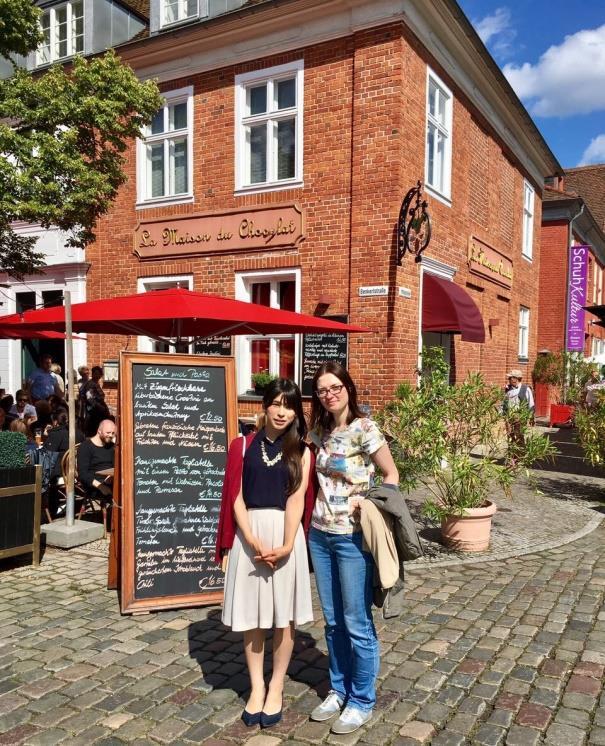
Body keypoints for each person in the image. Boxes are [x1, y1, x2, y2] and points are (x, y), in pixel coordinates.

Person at [216, 379, 313, 729]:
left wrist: (287, 544)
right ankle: (256, 687)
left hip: (286, 537)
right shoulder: (241, 445)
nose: (282, 411)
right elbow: (235, 497)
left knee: (283, 618)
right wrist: (252, 540)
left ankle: (276, 687)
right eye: (277, 403)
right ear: (265, 405)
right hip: (250, 536)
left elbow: (297, 499)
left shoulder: (303, 451)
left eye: (289, 405)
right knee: (254, 618)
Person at [307, 362, 399, 734]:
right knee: (331, 622)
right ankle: (338, 688)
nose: (330, 394)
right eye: (323, 390)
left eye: (335, 386)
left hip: (352, 536)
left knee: (356, 621)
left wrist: (371, 501)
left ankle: (361, 699)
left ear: (347, 387)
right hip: (319, 534)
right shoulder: (320, 432)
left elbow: (391, 476)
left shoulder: (365, 428)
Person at [77, 419, 116, 501]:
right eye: (108, 433)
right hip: (93, 484)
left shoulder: (111, 447)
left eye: (113, 433)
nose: (110, 435)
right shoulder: (85, 447)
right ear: (99, 431)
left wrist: (111, 477)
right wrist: (101, 486)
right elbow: (83, 474)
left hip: (110, 481)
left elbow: (114, 466)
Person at [503, 369, 535, 456]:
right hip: (509, 416)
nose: (509, 380)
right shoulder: (507, 389)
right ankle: (512, 456)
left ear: (516, 379)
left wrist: (531, 418)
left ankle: (521, 455)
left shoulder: (526, 389)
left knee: (519, 435)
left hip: (520, 416)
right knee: (510, 435)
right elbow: (504, 403)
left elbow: (531, 404)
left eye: (511, 378)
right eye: (509, 378)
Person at [80, 366, 110, 436]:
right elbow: (90, 399)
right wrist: (100, 408)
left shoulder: (96, 384)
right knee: (93, 432)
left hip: (98, 413)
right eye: (95, 373)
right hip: (93, 413)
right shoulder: (90, 384)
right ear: (92, 374)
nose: (97, 375)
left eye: (99, 374)